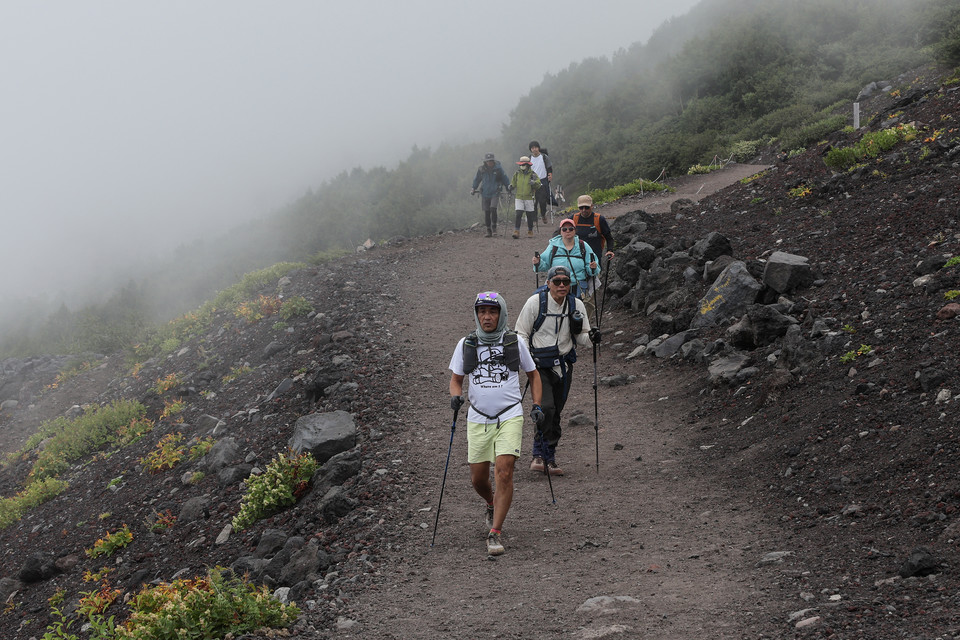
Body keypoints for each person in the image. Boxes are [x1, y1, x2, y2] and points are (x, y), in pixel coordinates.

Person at [449, 291, 543, 556]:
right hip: (477, 417)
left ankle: (495, 533)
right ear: (476, 314)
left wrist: (536, 405)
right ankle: (490, 502)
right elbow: (456, 379)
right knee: (478, 478)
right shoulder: (465, 344)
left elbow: (534, 375)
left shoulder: (514, 342)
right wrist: (456, 397)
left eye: (492, 312)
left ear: (501, 314)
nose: (487, 317)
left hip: (510, 414)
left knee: (504, 471)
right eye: (482, 312)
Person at [516, 267, 600, 475]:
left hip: (564, 365)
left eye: (565, 281)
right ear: (548, 283)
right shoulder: (535, 303)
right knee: (546, 408)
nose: (562, 285)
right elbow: (521, 333)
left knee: (556, 412)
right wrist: (528, 362)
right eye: (557, 281)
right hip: (539, 367)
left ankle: (549, 458)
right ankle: (538, 455)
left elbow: (581, 336)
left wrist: (592, 338)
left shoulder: (576, 305)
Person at [532, 218, 601, 300]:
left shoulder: (583, 245)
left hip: (577, 287)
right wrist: (538, 263)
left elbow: (592, 269)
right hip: (557, 286)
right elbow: (544, 265)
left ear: (575, 230)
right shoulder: (553, 246)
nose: (567, 231)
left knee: (576, 310)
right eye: (564, 229)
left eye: (571, 229)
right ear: (560, 231)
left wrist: (593, 267)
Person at [571, 195, 615, 320]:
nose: (584, 210)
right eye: (581, 207)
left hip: (594, 265)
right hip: (575, 264)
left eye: (586, 207)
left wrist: (610, 250)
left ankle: (585, 323)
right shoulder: (573, 219)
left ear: (591, 206)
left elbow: (609, 237)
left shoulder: (598, 219)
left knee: (589, 298)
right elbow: (561, 234)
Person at [471, 153, 511, 237]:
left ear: (493, 161)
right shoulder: (481, 170)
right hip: (485, 193)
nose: (489, 163)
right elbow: (477, 179)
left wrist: (508, 188)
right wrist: (473, 188)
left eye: (491, 161)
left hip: (495, 192)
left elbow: (505, 179)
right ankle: (488, 230)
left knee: (493, 209)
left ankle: (494, 228)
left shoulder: (498, 169)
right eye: (488, 161)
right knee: (487, 212)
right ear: (485, 162)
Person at [510, 156, 541, 239]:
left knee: (529, 215)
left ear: (528, 165)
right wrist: (511, 187)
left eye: (523, 164)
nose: (522, 166)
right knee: (518, 214)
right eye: (521, 164)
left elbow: (538, 184)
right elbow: (513, 183)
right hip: (519, 197)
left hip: (529, 197)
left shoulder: (533, 174)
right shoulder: (517, 174)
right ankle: (516, 231)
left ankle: (530, 230)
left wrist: (533, 182)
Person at [528, 141, 553, 224]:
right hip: (533, 182)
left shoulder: (544, 157)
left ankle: (543, 214)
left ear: (538, 148)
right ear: (531, 149)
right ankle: (534, 218)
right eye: (532, 148)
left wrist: (550, 174)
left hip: (542, 181)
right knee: (533, 201)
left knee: (542, 200)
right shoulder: (529, 158)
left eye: (535, 147)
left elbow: (549, 167)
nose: (534, 149)